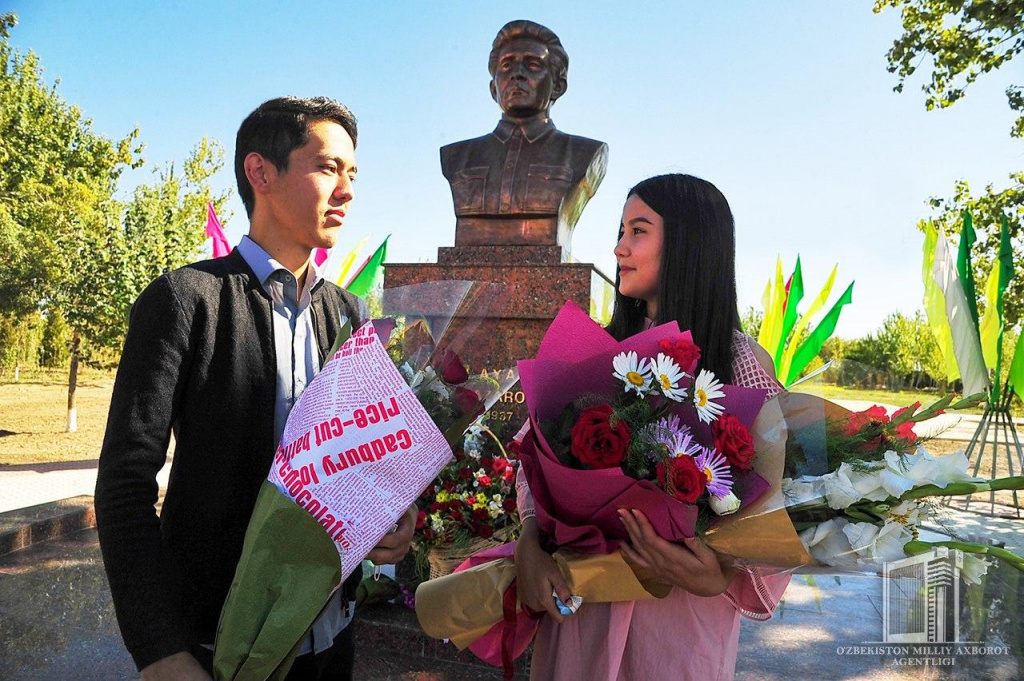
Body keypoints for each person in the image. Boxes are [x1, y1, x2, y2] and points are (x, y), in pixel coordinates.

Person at [95, 96, 416, 681]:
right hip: (214, 649)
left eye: (352, 173)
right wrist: (161, 651)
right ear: (261, 172)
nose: (346, 190)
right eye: (327, 168)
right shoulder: (184, 300)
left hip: (328, 641)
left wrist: (390, 515)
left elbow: (357, 466)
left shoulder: (351, 314)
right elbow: (123, 489)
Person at [514, 173, 789, 680]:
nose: (618, 247)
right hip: (584, 603)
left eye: (638, 231)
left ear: (689, 245)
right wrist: (530, 543)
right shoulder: (595, 353)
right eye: (620, 231)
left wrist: (720, 574)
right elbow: (534, 466)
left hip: (679, 624)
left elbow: (778, 503)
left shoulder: (741, 364)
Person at [440, 20, 608, 251]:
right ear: (493, 88)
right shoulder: (457, 156)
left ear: (557, 86)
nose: (517, 74)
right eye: (507, 65)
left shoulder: (583, 153)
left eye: (533, 64)